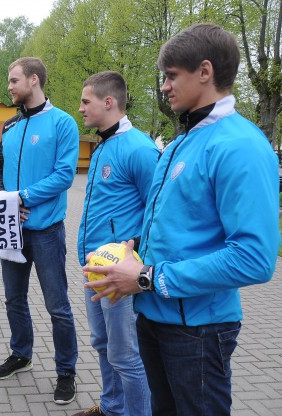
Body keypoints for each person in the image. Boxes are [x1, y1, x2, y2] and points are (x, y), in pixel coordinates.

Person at [83, 24, 280, 415]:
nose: (165, 86)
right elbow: (172, 226)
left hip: (199, 331)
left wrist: (146, 277)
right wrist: (130, 252)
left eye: (172, 76)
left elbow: (255, 259)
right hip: (154, 316)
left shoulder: (240, 145)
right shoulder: (181, 142)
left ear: (205, 72)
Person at [0, 57, 79, 405]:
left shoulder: (63, 123)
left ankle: (66, 372)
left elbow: (64, 176)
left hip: (46, 232)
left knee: (57, 306)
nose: (9, 86)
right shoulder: (10, 125)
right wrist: (3, 198)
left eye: (14, 80)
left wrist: (22, 197)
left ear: (33, 80)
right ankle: (21, 354)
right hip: (10, 226)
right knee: (14, 299)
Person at [74, 71, 158, 416]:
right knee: (103, 344)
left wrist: (133, 249)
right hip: (95, 267)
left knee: (126, 355)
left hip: (120, 272)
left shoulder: (140, 148)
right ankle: (111, 407)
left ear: (108, 102)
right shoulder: (103, 146)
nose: (81, 108)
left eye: (86, 101)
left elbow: (158, 212)